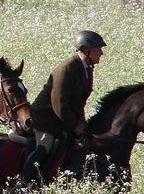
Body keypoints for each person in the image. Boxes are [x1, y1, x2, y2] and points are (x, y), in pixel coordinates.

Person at [22, 30, 106, 183]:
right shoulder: (68, 66)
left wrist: (83, 124)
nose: (102, 52)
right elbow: (58, 101)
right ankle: (23, 184)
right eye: (98, 48)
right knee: (45, 147)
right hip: (45, 121)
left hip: (61, 120)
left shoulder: (87, 68)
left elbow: (78, 103)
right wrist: (74, 125)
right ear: (87, 50)